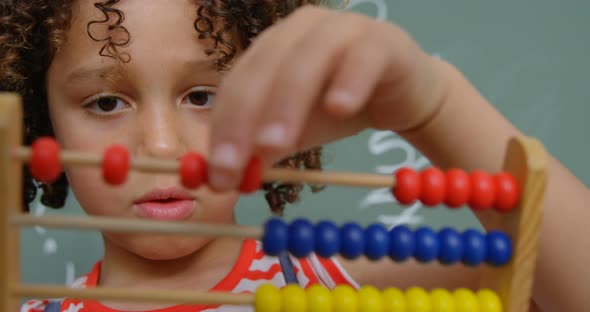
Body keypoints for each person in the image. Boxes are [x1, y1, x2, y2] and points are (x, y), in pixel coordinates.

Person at [1, 0, 588, 311]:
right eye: (105, 102)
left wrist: (436, 107)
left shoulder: (337, 291)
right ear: (42, 119)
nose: (160, 147)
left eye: (203, 95)